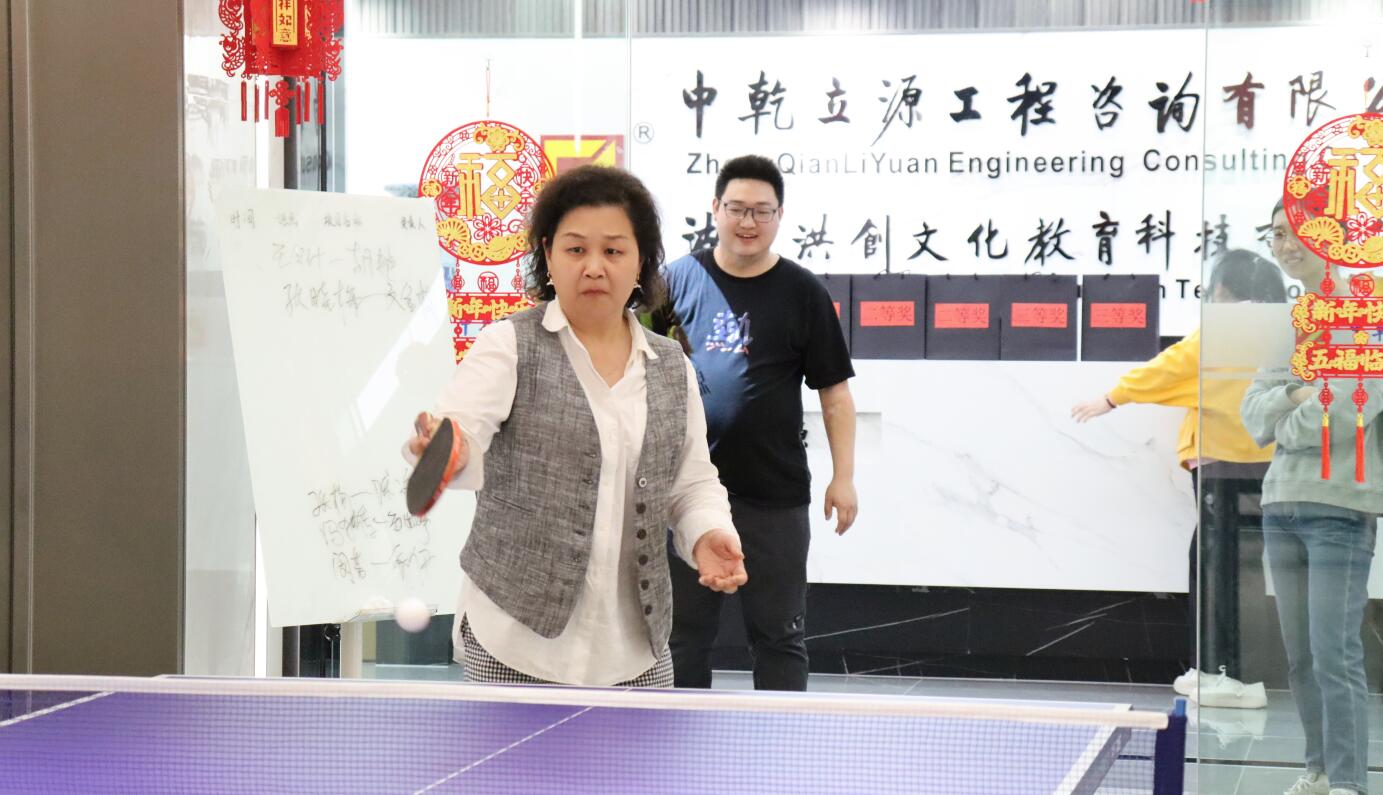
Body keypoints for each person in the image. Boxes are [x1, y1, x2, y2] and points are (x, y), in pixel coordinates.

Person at [406, 165, 747, 687]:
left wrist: (708, 534)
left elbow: (691, 482)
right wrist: (446, 448)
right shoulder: (508, 345)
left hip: (636, 651)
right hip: (516, 645)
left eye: (613, 251)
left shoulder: (671, 366)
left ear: (640, 262)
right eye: (575, 249)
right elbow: (463, 430)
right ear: (548, 255)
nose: (593, 267)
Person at [654, 154, 857, 691]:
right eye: (737, 208)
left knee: (779, 636)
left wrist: (843, 477)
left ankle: (783, 740)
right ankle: (678, 739)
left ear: (779, 215)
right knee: (682, 637)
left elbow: (835, 394)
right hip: (685, 493)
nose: (748, 222)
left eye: (762, 211)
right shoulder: (674, 282)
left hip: (774, 495)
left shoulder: (804, 292)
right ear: (715, 209)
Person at [1072, 250, 1285, 709]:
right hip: (1264, 462)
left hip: (1222, 463)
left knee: (1216, 570)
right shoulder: (1282, 329)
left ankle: (1227, 674)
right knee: (1233, 568)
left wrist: (1112, 397)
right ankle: (1216, 670)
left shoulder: (1225, 330)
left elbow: (1172, 366)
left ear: (1227, 290)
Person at [1242, 200, 1383, 795]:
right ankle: (1318, 770)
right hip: (1280, 506)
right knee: (1300, 657)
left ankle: (1348, 781)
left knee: (1334, 654)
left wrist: (1291, 411)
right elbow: (1253, 414)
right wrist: (1296, 397)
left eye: (1297, 231)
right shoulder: (1291, 325)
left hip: (1340, 509)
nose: (1285, 243)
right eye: (1276, 233)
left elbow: (1350, 408)